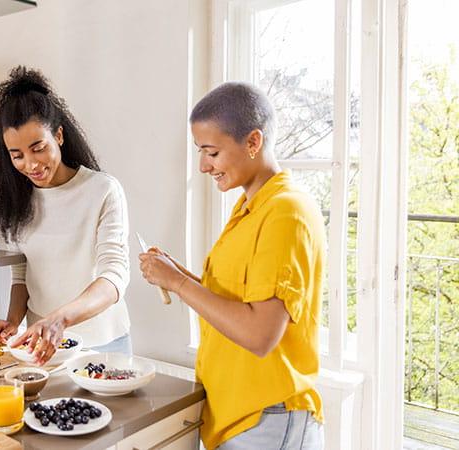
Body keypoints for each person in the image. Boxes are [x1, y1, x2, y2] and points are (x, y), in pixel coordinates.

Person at [139, 82, 325, 449]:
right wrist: (178, 273)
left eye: (212, 152)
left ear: (253, 142)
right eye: (200, 152)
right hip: (240, 416)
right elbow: (235, 303)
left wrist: (178, 283)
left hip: (268, 419)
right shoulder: (249, 208)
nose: (203, 165)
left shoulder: (286, 211)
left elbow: (260, 334)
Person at [0, 66, 131, 365]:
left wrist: (60, 320)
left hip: (103, 345)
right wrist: (13, 322)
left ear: (59, 136)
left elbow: (113, 278)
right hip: (44, 349)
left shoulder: (102, 190)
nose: (30, 164)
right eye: (17, 155)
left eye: (38, 148)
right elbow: (22, 275)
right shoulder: (17, 200)